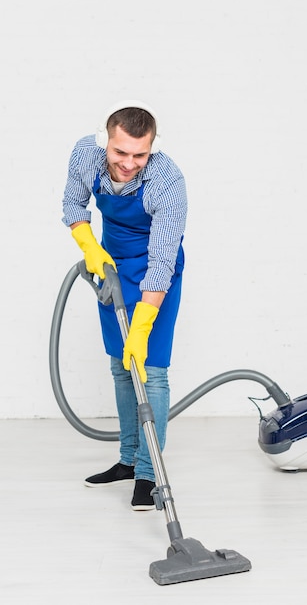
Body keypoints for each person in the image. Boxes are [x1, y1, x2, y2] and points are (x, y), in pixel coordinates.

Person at [62, 101, 187, 510]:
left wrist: (143, 323)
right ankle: (128, 461)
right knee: (120, 366)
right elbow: (73, 206)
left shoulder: (167, 180)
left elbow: (163, 259)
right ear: (106, 141)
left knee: (151, 372)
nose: (129, 163)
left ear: (152, 149)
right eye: (121, 152)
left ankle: (150, 474)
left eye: (140, 155)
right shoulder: (86, 154)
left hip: (155, 276)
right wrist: (89, 246)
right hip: (112, 266)